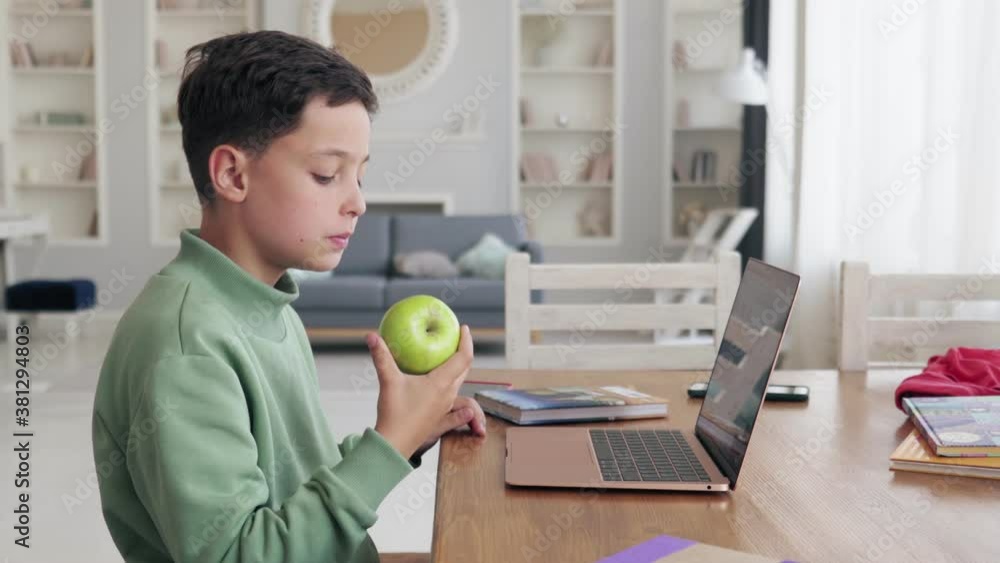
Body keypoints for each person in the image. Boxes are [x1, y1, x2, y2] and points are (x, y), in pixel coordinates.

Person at [91, 30, 486, 563]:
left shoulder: (265, 303)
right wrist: (389, 445)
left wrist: (405, 436)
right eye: (327, 175)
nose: (358, 204)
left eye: (360, 176)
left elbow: (293, 490)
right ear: (232, 174)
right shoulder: (187, 345)